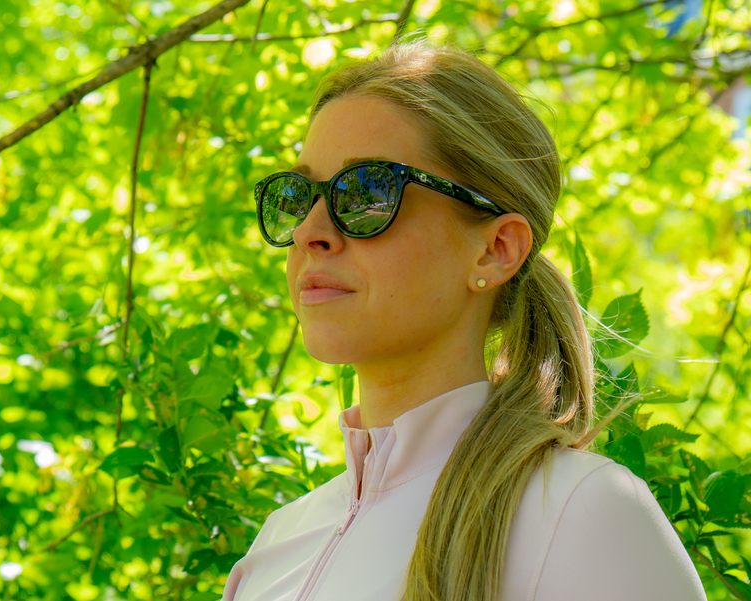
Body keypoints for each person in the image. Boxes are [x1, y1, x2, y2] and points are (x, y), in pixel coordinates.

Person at [222, 40, 707, 601]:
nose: (310, 230)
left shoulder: (582, 512)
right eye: (300, 194)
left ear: (496, 249)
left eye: (369, 193)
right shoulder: (276, 544)